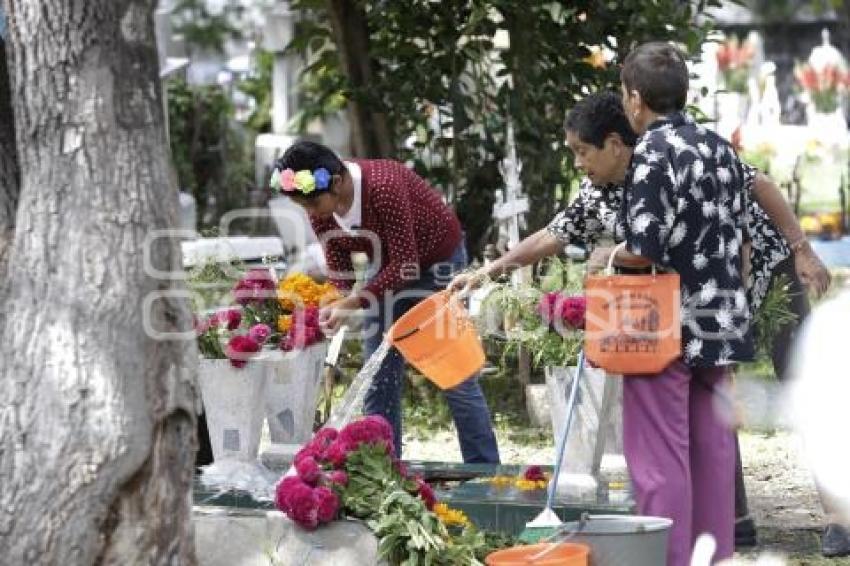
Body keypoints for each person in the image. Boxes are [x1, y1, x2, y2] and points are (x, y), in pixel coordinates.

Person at [450, 90, 833, 555]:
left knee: (788, 385)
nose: (577, 163)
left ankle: (828, 515)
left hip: (759, 272)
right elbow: (553, 233)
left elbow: (752, 192)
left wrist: (802, 250)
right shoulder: (604, 187)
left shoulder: (666, 162)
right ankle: (724, 530)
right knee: (706, 415)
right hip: (704, 304)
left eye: (581, 151)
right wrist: (490, 270)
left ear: (615, 143)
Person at [270, 140, 500, 464]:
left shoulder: (382, 186)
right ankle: (384, 467)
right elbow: (338, 258)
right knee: (378, 369)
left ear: (337, 183)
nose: (311, 214)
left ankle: (485, 470)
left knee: (454, 373)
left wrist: (352, 303)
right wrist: (337, 296)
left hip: (437, 262)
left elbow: (405, 266)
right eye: (304, 208)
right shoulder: (320, 205)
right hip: (390, 265)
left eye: (313, 205)